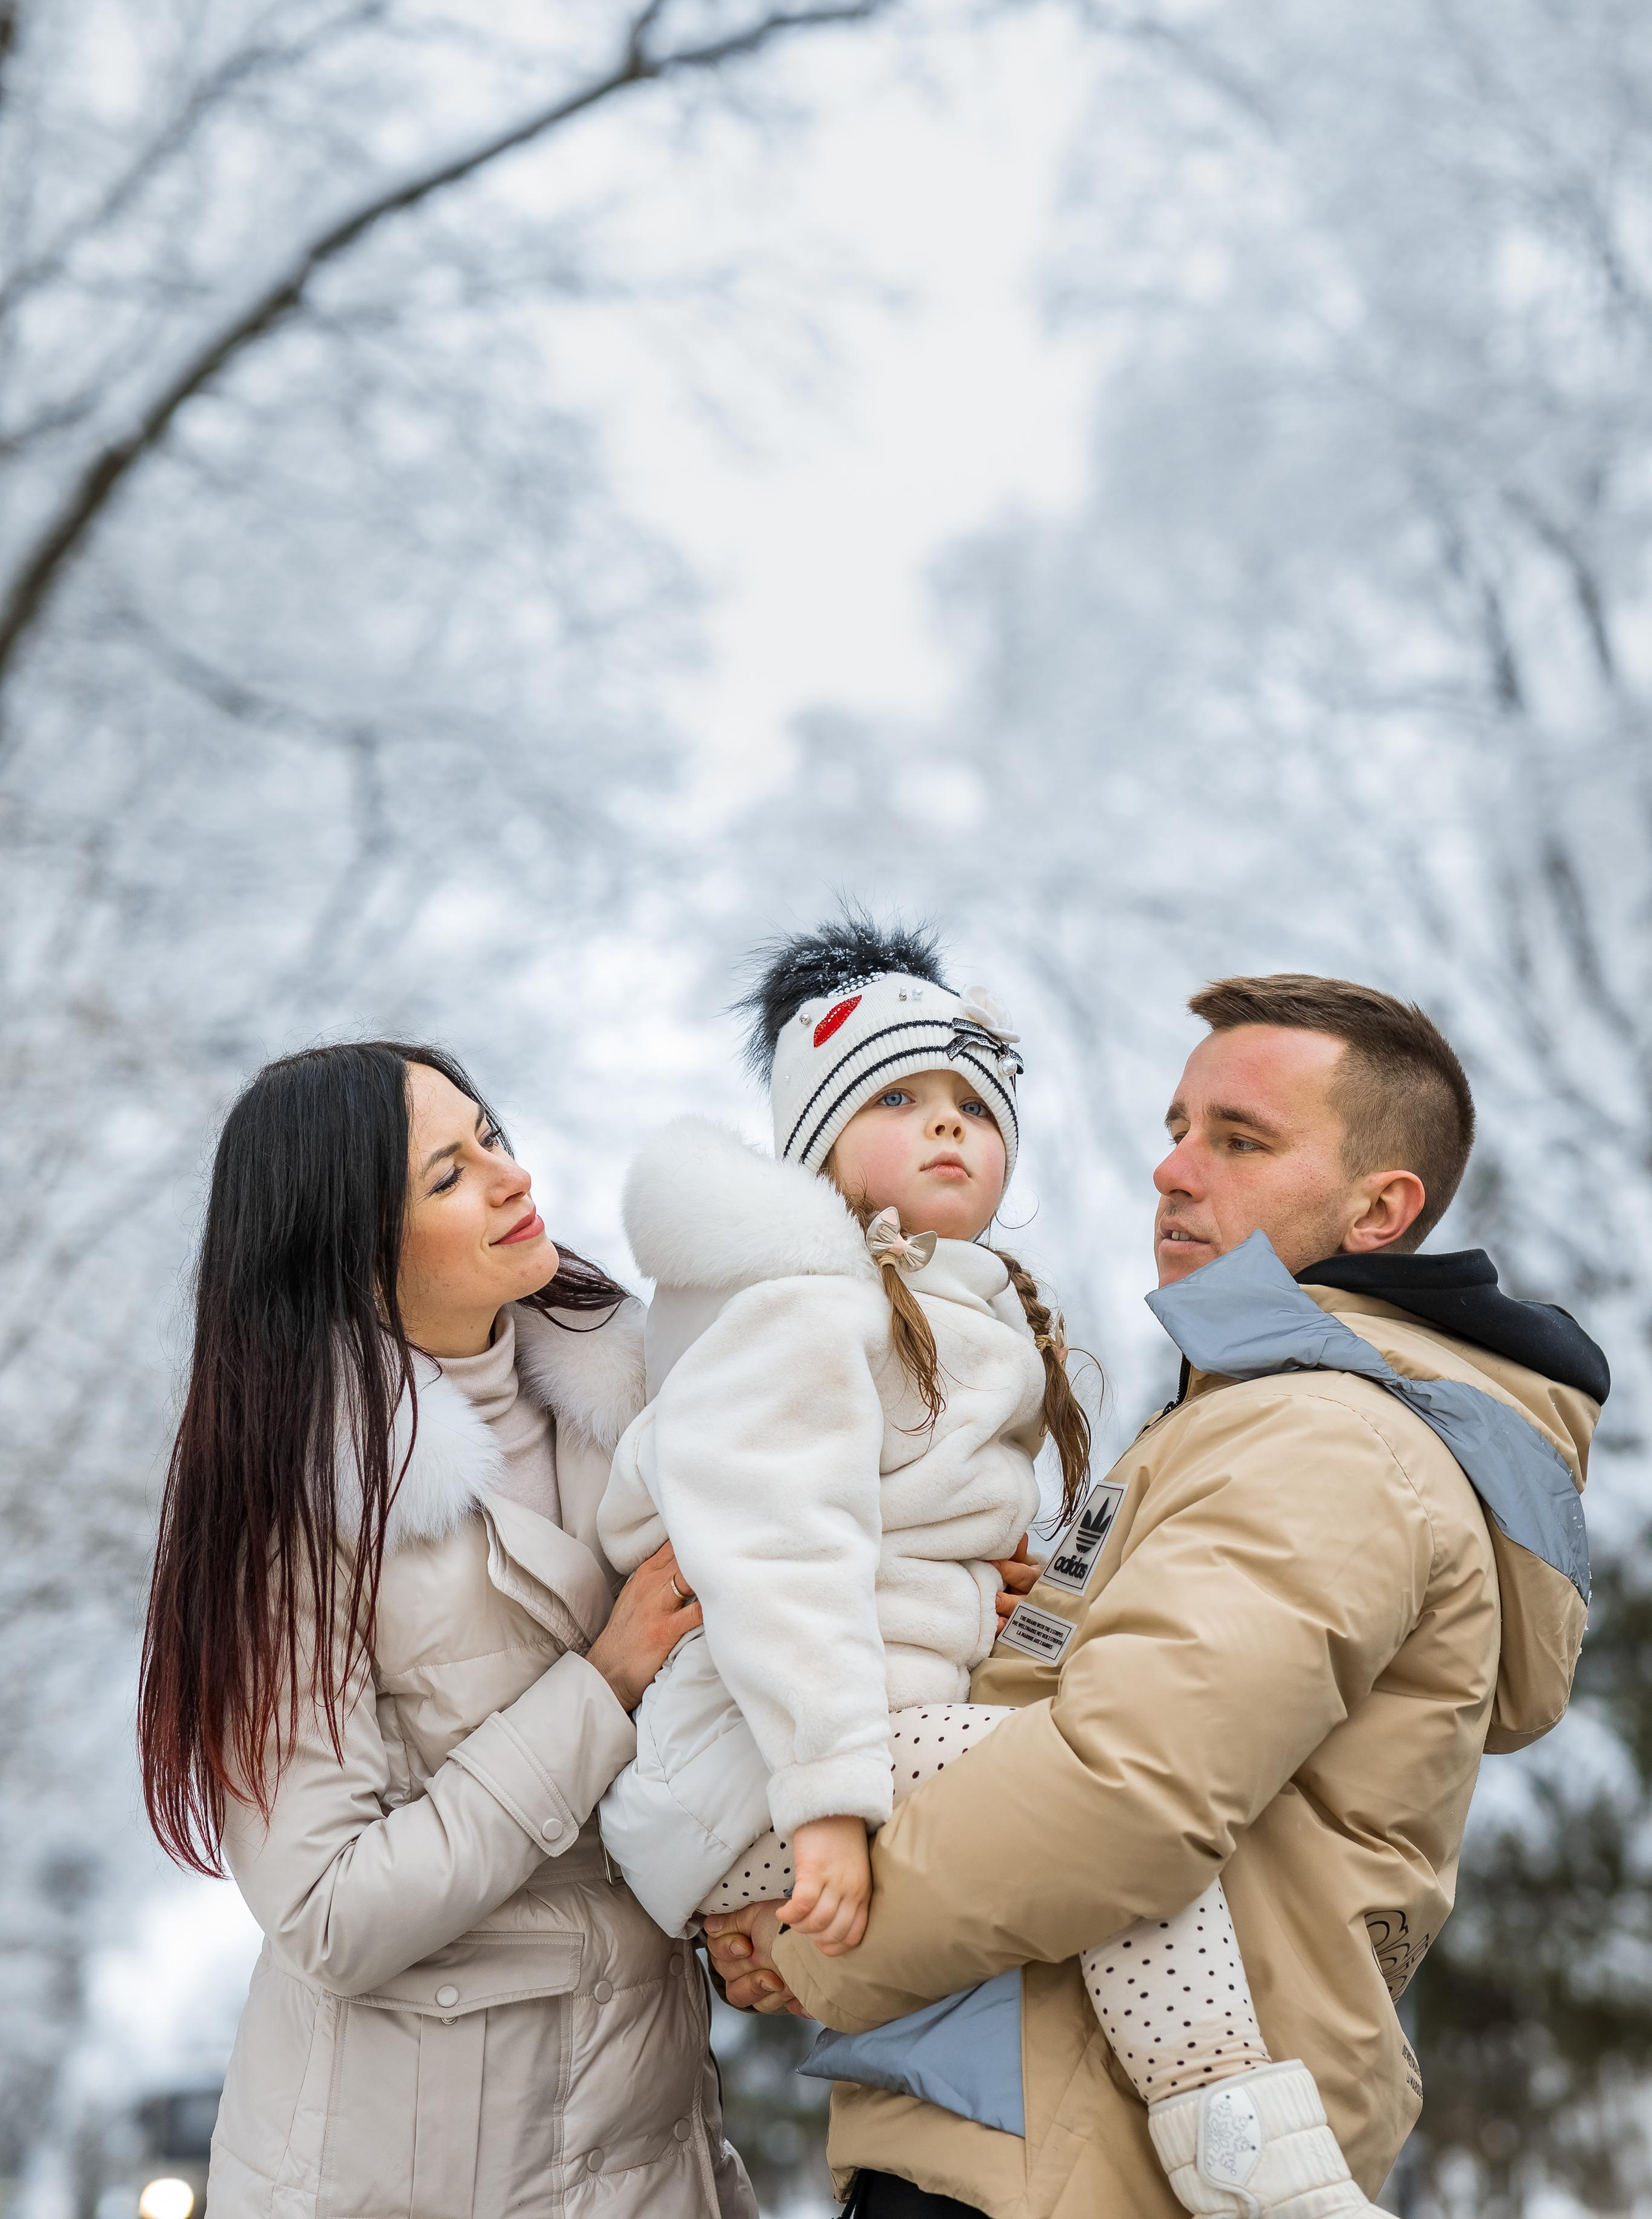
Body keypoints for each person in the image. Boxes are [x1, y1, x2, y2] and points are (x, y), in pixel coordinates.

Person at [708, 973, 1607, 2219]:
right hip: (1046, 2128)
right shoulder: (1251, 1416)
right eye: (1177, 1129)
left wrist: (810, 1937)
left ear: (1382, 1206)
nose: (1175, 1171)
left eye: (1240, 1140)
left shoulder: (1326, 1442)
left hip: (1084, 2156)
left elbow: (1125, 1792)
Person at [598, 919, 1380, 2216]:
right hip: (767, 1772)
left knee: (1098, 1827)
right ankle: (1247, 2163)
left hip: (839, 1752)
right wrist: (826, 1803)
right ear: (817, 1145)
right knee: (1106, 1814)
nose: (946, 1126)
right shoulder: (804, 1306)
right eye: (896, 1099)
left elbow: (895, 1547)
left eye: (971, 1101)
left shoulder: (959, 1304)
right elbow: (778, 1561)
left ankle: (1223, 2149)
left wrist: (1006, 1605)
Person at [139, 1039, 754, 2219]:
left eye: (494, 1138)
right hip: (409, 2167)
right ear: (347, 1249)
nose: (510, 1177)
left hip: (647, 2128)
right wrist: (600, 1685)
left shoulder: (645, 1405)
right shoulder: (301, 1509)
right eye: (446, 1176)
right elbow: (326, 1911)